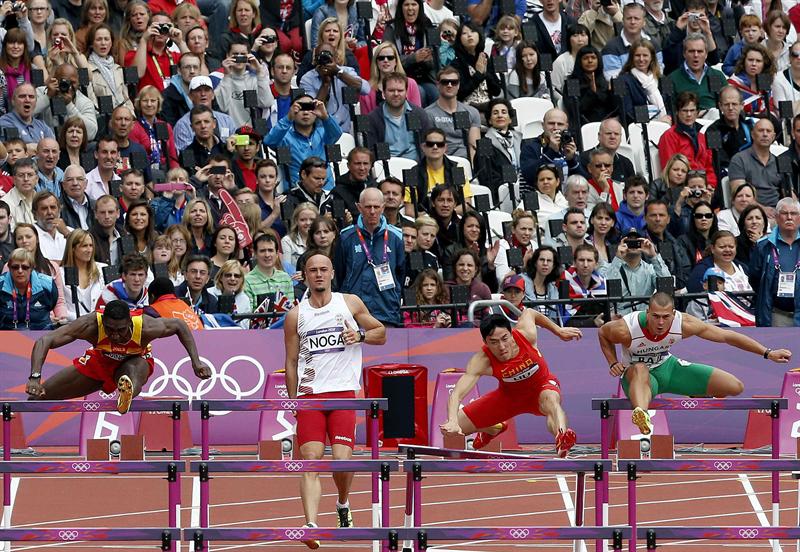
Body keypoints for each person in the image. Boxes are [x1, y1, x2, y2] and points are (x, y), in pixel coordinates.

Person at [283, 252, 386, 546]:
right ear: (305, 275)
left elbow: (381, 332)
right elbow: (290, 362)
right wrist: (294, 401)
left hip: (343, 393)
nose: (318, 274)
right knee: (311, 460)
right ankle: (311, 524)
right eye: (312, 270)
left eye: (323, 269)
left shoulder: (349, 303)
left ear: (331, 273)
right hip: (310, 396)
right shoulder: (296, 315)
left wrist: (361, 336)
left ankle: (342, 502)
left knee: (342, 461)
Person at [598, 291, 792, 435]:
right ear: (647, 312)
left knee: (734, 387)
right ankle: (641, 413)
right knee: (640, 368)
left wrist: (768, 353)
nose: (660, 322)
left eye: (665, 317)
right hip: (638, 378)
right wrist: (613, 362)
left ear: (673, 314)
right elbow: (602, 333)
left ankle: (692, 389)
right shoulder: (626, 329)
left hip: (668, 368)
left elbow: (727, 336)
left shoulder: (685, 324)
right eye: (655, 316)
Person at [26, 298, 211, 414]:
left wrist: (196, 362)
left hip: (135, 360)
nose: (115, 335)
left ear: (130, 322)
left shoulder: (146, 326)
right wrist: (35, 377)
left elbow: (179, 325)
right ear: (103, 322)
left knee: (134, 368)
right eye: (110, 329)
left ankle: (127, 393)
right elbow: (45, 340)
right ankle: (15, 444)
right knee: (38, 397)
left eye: (121, 330)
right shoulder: (90, 324)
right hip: (100, 362)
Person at [440, 310, 581, 456]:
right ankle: (493, 428)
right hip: (509, 398)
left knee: (551, 401)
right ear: (485, 342)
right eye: (494, 342)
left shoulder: (526, 334)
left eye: (504, 338)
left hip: (541, 387)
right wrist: (452, 421)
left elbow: (531, 313)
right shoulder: (481, 361)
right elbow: (456, 394)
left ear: (511, 333)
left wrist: (558, 331)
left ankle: (562, 437)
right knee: (451, 430)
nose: (501, 346)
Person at [335, 187, 405, 327]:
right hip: (353, 314)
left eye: (376, 207)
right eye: (368, 207)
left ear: (383, 207)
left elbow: (400, 273)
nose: (372, 211)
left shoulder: (396, 236)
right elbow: (340, 273)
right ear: (359, 208)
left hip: (386, 312)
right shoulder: (346, 236)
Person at [264, 94, 342, 189]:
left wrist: (325, 117)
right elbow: (269, 141)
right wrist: (288, 118)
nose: (305, 112)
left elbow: (337, 133)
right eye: (301, 108)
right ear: (293, 111)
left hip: (326, 189)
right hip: (298, 192)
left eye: (309, 107)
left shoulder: (324, 133)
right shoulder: (284, 136)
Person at [749, 197, 800, 326]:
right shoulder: (763, 246)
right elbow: (755, 278)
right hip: (777, 314)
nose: (789, 217)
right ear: (776, 218)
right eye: (784, 213)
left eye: (793, 213)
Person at [364, 72, 432, 160]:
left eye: (400, 90)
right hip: (386, 167)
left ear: (406, 93)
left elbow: (426, 144)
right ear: (383, 93)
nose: (396, 94)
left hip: (416, 167)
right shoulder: (373, 118)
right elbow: (371, 150)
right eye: (391, 90)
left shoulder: (418, 114)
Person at [603, 228, 672, 313]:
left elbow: (667, 287)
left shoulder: (651, 269)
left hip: (644, 319)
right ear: (621, 244)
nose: (633, 244)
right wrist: (618, 258)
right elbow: (606, 289)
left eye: (637, 242)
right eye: (629, 242)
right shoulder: (611, 267)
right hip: (621, 319)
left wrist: (654, 256)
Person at [657, 91, 717, 188]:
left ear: (697, 112)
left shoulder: (702, 136)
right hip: (682, 188)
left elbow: (709, 166)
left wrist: (711, 185)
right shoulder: (669, 136)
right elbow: (669, 170)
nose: (689, 114)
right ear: (677, 112)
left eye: (692, 110)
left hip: (704, 187)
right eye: (684, 111)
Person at [424, 66, 481, 161]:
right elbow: (430, 147)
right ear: (438, 85)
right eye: (445, 82)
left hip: (466, 162)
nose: (449, 85)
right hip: (441, 163)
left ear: (458, 85)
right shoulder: (428, 113)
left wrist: (471, 168)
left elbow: (473, 146)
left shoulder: (472, 112)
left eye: (454, 82)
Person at [214, 38, 273, 129]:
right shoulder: (220, 80)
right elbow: (223, 107)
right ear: (227, 56)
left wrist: (260, 72)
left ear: (249, 56)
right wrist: (227, 75)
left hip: (252, 135)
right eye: (235, 54)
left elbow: (266, 103)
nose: (239, 57)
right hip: (229, 134)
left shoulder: (254, 80)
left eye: (243, 54)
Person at [728, 117, 784, 211]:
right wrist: (762, 210)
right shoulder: (739, 159)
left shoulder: (780, 162)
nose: (765, 134)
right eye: (761, 130)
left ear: (773, 137)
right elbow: (740, 196)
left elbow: (788, 194)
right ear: (752, 134)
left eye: (768, 131)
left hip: (777, 212)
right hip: (750, 211)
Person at [0, 248, 60, 330]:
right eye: (15, 267)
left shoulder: (48, 285)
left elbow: (52, 304)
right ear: (9, 268)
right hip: (6, 336)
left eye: (25, 267)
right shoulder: (1, 285)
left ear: (32, 268)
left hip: (41, 335)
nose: (20, 271)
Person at [601, 3, 663, 80]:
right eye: (629, 18)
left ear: (644, 22)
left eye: (636, 18)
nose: (632, 22)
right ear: (623, 20)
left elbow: (658, 73)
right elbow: (614, 82)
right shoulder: (611, 47)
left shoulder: (654, 44)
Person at [667, 33, 726, 112]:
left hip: (715, 119)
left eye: (700, 51)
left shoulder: (716, 75)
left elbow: (727, 102)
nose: (696, 55)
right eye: (691, 51)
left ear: (706, 54)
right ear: (684, 54)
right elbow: (668, 110)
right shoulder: (669, 79)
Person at [60, 230, 107, 321]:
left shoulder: (102, 269)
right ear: (72, 248)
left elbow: (113, 299)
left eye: (91, 245)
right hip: (72, 327)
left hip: (101, 325)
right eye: (84, 246)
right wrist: (82, 319)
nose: (89, 250)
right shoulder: (60, 273)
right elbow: (60, 306)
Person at [244, 233, 294, 309]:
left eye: (270, 250)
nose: (267, 255)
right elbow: (248, 314)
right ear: (255, 254)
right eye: (262, 251)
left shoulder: (286, 278)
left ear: (277, 254)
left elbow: (291, 310)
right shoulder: (246, 280)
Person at [727, 43, 775, 115]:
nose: (754, 64)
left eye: (758, 61)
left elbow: (770, 109)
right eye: (750, 60)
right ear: (743, 62)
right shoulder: (732, 84)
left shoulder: (767, 85)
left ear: (764, 64)